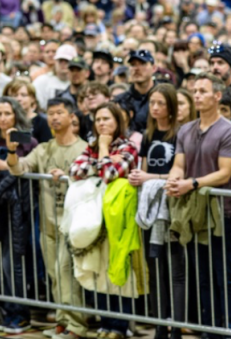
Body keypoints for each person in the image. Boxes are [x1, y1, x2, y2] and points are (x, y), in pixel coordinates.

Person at [166, 73, 231, 335]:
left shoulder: (228, 131)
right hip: (193, 212)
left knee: (224, 275)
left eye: (202, 91)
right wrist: (175, 180)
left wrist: (192, 183)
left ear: (217, 96)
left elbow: (224, 173)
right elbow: (178, 164)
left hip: (221, 212)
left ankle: (229, 329)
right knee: (202, 276)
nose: (196, 95)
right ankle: (209, 328)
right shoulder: (186, 129)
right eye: (194, 91)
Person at [8, 97, 89, 339]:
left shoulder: (84, 148)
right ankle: (62, 320)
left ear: (71, 117)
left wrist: (68, 174)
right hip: (48, 223)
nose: (54, 117)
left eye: (59, 112)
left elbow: (90, 176)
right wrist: (11, 151)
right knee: (55, 275)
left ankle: (77, 326)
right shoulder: (43, 149)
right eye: (50, 113)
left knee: (66, 274)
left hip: (73, 223)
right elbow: (18, 168)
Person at [70, 102, 139, 339]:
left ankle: (120, 325)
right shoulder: (91, 146)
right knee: (99, 268)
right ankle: (105, 322)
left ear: (117, 122)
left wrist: (102, 151)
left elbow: (109, 175)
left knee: (118, 268)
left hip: (119, 218)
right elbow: (75, 170)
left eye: (106, 119)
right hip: (97, 217)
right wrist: (103, 156)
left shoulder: (129, 147)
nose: (101, 123)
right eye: (97, 119)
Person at [128, 83, 184, 339]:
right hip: (151, 208)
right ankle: (160, 325)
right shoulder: (148, 134)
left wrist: (149, 176)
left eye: (161, 103)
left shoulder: (180, 134)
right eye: (152, 103)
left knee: (176, 269)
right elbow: (143, 169)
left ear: (171, 107)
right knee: (155, 268)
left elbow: (178, 172)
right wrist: (141, 178)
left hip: (174, 207)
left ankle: (177, 328)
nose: (155, 108)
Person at [0, 97, 38, 333]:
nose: (3, 118)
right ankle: (8, 310)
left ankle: (20, 312)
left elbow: (29, 166)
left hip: (18, 208)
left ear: (17, 116)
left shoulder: (27, 140)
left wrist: (8, 164)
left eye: (8, 113)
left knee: (11, 264)